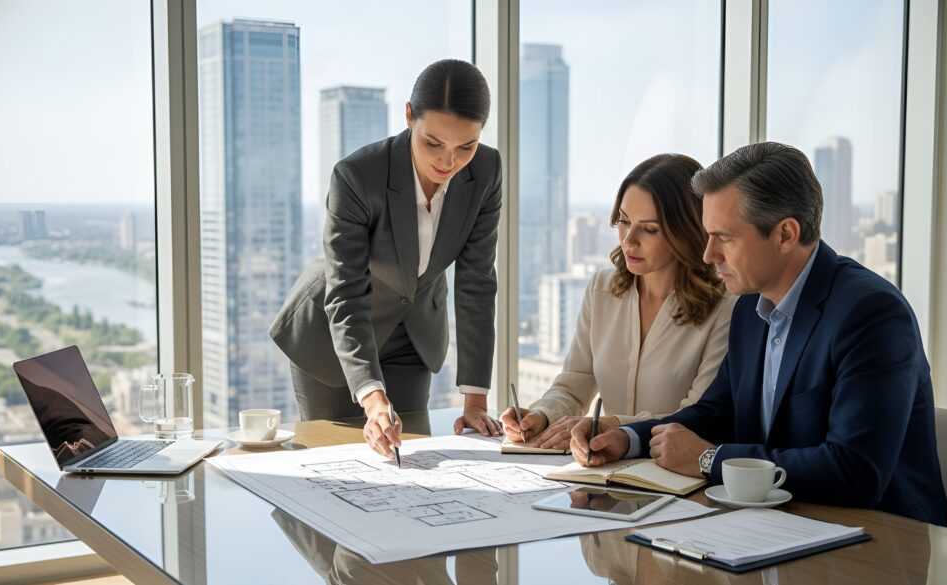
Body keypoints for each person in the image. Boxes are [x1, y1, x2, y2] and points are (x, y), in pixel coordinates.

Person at [570, 142, 947, 527]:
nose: (708, 255)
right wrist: (627, 438)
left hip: (881, 541)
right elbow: (717, 412)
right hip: (774, 526)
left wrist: (709, 460)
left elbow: (855, 471)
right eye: (707, 235)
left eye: (725, 238)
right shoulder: (752, 307)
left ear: (785, 234)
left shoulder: (870, 314)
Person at [269, 60, 503, 458]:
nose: (448, 162)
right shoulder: (357, 176)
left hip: (412, 334)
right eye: (433, 143)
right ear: (409, 115)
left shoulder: (486, 170)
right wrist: (373, 400)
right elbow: (345, 292)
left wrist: (476, 402)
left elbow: (477, 284)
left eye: (466, 146)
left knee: (411, 458)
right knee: (335, 463)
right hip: (333, 333)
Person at [500, 154, 736, 450]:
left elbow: (698, 415)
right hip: (604, 467)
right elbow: (574, 385)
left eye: (649, 229)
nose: (629, 240)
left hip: (675, 475)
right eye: (624, 221)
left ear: (687, 231)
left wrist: (614, 427)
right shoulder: (602, 288)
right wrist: (543, 415)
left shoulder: (726, 305)